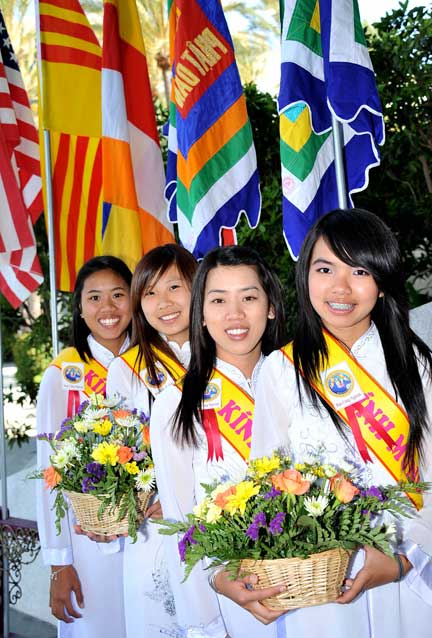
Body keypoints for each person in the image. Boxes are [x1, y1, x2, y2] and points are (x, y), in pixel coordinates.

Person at [214, 209, 432, 637]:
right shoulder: (281, 369)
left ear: (382, 281)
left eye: (360, 271)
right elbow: (266, 481)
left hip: (409, 568)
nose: (340, 287)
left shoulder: (416, 365)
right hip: (320, 581)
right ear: (305, 276)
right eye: (325, 269)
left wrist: (404, 559)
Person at [150, 245, 286, 638]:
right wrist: (207, 617)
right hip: (233, 596)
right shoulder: (176, 403)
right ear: (201, 314)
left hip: (312, 588)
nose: (235, 314)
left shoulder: (300, 385)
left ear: (270, 307)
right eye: (218, 300)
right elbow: (180, 521)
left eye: (249, 298)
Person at [36, 256, 133, 638]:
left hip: (148, 535)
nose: (107, 308)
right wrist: (59, 563)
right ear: (79, 307)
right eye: (94, 297)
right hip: (86, 543)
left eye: (118, 295)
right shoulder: (62, 374)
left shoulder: (154, 366)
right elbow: (48, 474)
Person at [105, 243, 197, 637]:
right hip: (157, 529)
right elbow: (118, 456)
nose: (163, 303)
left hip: (224, 521)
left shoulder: (227, 356)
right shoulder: (126, 370)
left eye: (174, 287)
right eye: (150, 292)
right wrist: (140, 500)